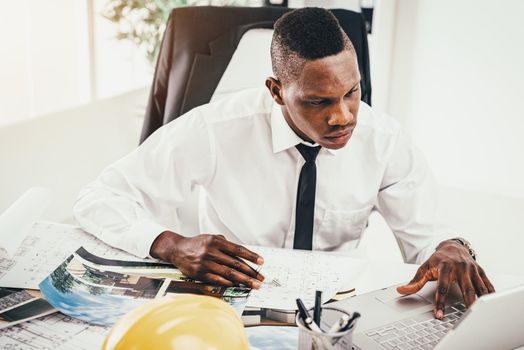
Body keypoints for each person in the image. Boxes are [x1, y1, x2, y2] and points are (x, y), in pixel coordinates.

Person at [74, 7, 494, 319]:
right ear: (276, 92)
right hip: (233, 304)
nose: (343, 117)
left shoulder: (384, 140)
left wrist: (450, 247)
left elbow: (425, 237)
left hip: (335, 309)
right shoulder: (216, 128)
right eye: (319, 102)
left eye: (352, 92)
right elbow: (98, 198)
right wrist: (171, 244)